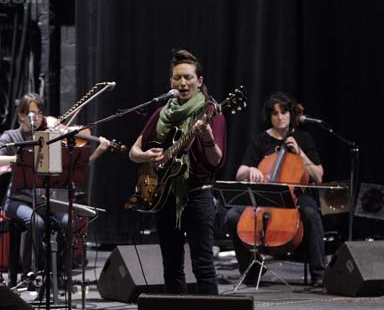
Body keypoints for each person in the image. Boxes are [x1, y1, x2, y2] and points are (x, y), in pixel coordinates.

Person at [129, 49, 226, 294]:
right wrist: (146, 156)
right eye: (177, 78)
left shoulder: (211, 112)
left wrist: (207, 139)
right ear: (171, 82)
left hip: (198, 196)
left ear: (200, 81)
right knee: (171, 266)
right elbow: (133, 151)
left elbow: (216, 161)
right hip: (165, 196)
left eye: (188, 78)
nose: (182, 83)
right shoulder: (162, 114)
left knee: (202, 265)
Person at [0, 93, 110, 275]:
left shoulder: (48, 138)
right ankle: (34, 271)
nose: (36, 117)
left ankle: (59, 271)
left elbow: (72, 168)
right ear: (21, 115)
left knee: (68, 222)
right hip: (18, 200)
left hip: (45, 201)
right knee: (36, 221)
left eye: (39, 113)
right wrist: (17, 158)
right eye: (32, 113)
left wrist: (98, 152)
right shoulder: (11, 135)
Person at [224, 92, 326, 287]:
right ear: (269, 116)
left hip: (295, 195)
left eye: (284, 112)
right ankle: (251, 270)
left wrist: (300, 153)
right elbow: (240, 173)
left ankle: (319, 272)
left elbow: (318, 176)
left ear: (292, 114)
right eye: (275, 113)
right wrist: (251, 170)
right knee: (232, 216)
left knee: (311, 213)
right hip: (265, 195)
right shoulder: (261, 141)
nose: (280, 117)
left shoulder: (303, 138)